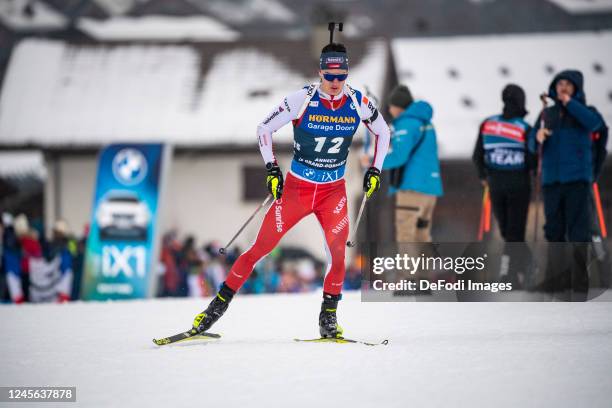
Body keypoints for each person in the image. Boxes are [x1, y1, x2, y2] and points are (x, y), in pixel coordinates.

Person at [192, 41, 390, 338]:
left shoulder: (358, 102)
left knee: (337, 256)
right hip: (297, 190)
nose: (335, 83)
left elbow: (383, 131)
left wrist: (375, 169)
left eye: (341, 77)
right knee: (260, 249)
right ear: (320, 72)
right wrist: (272, 168)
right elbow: (264, 130)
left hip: (332, 192)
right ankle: (216, 307)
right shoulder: (302, 99)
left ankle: (329, 318)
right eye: (329, 76)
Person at [529, 69, 605, 296]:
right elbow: (532, 147)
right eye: (559, 83)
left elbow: (595, 125)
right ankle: (557, 279)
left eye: (568, 84)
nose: (563, 87)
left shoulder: (585, 111)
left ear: (576, 89)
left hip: (577, 180)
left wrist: (570, 103)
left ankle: (580, 280)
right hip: (552, 180)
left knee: (578, 231)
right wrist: (537, 138)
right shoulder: (547, 114)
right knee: (553, 231)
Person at [473, 84, 534, 286]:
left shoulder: (488, 124)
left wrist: (483, 175)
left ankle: (510, 273)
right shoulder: (524, 128)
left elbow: (477, 155)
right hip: (518, 185)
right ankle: (522, 267)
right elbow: (533, 159)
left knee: (509, 232)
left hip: (496, 185)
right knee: (513, 233)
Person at [382, 85, 443, 242]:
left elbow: (399, 156)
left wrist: (374, 162)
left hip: (412, 189)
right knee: (422, 236)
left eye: (391, 105)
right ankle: (425, 267)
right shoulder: (427, 124)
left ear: (398, 107)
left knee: (406, 236)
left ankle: (408, 268)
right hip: (430, 190)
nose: (389, 109)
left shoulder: (406, 124)